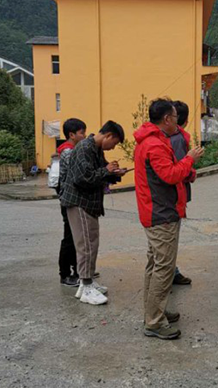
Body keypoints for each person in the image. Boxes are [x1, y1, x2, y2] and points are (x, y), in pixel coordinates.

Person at [133, 98, 204, 340]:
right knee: (163, 267)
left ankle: (155, 312)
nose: (178, 121)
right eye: (175, 117)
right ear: (166, 119)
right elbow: (170, 175)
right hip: (161, 214)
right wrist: (190, 159)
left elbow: (170, 170)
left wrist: (187, 169)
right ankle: (154, 322)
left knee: (155, 265)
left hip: (157, 211)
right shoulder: (154, 145)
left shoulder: (154, 141)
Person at [60, 121, 127, 305]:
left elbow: (102, 171)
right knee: (86, 245)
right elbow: (84, 178)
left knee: (91, 243)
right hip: (79, 202)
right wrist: (106, 170)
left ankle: (85, 283)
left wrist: (115, 173)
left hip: (90, 204)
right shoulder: (84, 148)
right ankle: (87, 286)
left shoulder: (96, 149)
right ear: (108, 136)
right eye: (114, 143)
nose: (113, 147)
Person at [56, 118, 87, 287]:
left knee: (78, 236)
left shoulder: (72, 149)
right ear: (71, 134)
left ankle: (79, 269)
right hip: (69, 200)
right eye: (81, 133)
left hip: (72, 199)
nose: (84, 136)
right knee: (70, 237)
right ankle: (65, 273)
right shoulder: (68, 152)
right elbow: (76, 175)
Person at [170, 100, 196, 286]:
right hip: (173, 194)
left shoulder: (164, 136)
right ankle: (170, 272)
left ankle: (170, 270)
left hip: (168, 194)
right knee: (170, 235)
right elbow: (179, 168)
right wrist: (191, 172)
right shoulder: (179, 138)